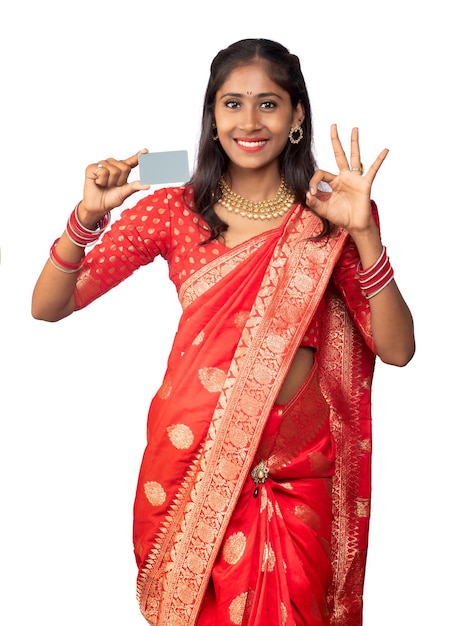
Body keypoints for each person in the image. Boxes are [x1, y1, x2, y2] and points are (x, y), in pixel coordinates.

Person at [31, 38, 415, 626]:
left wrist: (365, 236)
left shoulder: (331, 211)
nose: (250, 121)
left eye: (269, 104)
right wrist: (86, 219)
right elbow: (49, 305)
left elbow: (398, 349)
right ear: (212, 117)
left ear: (296, 116)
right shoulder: (176, 208)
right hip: (192, 467)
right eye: (232, 104)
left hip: (296, 476)